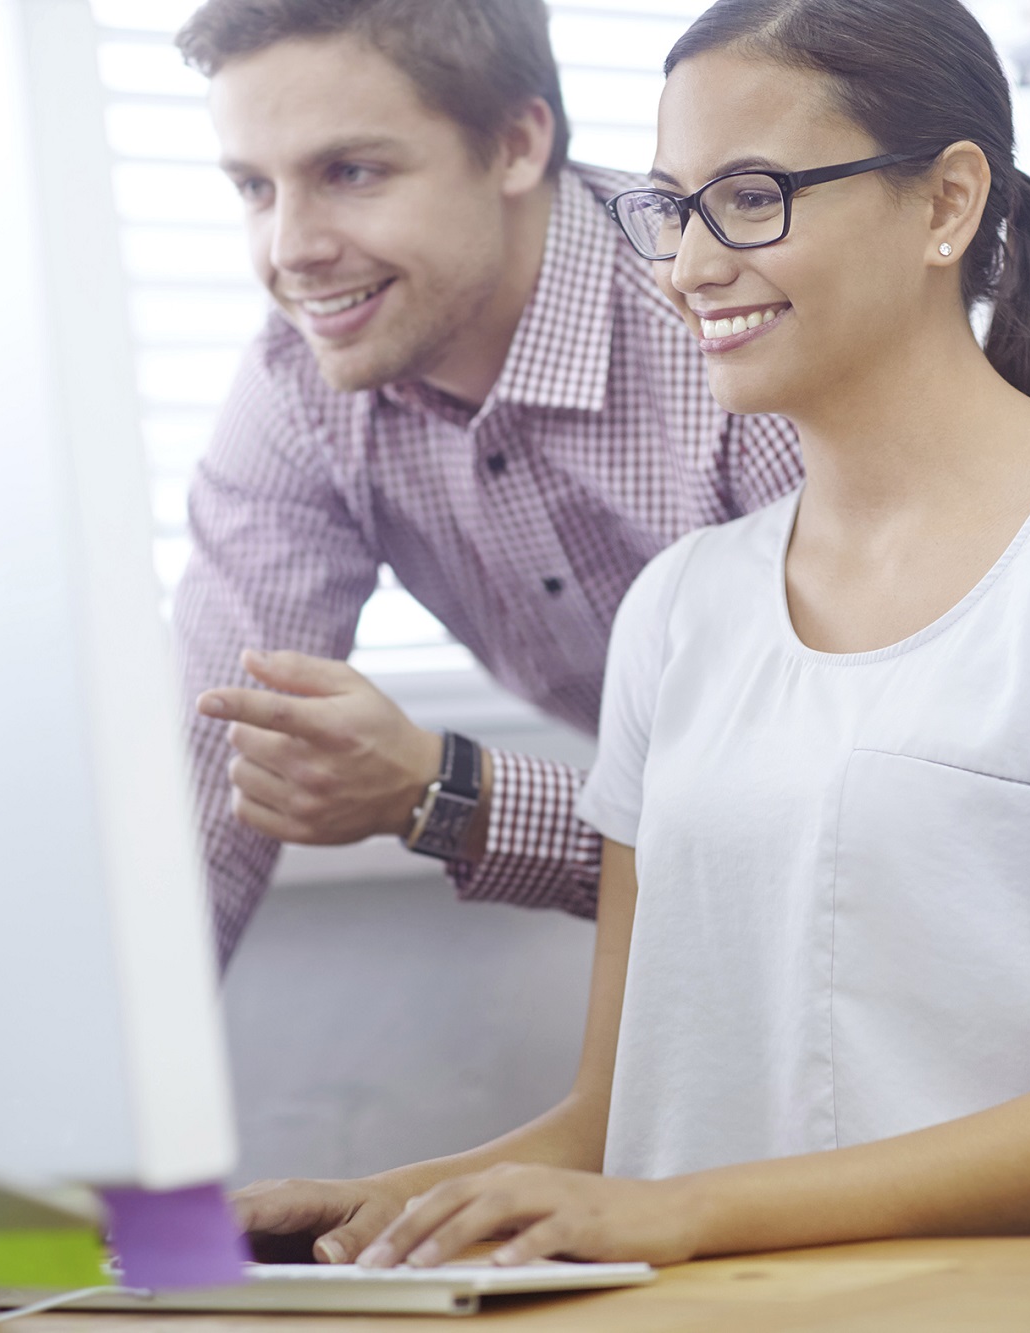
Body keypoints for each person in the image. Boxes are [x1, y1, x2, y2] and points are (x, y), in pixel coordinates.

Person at [231, 0, 1030, 1264]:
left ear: (946, 205)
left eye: (748, 199)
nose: (686, 266)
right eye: (671, 209)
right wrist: (384, 1202)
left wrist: (677, 1213)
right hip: (754, 1299)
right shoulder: (677, 608)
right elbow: (619, 1115)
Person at [173, 0, 802, 963]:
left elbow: (839, 833)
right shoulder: (298, 387)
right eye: (255, 188)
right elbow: (208, 792)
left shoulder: (733, 332)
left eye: (351, 172)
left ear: (515, 143)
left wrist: (446, 789)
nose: (290, 250)